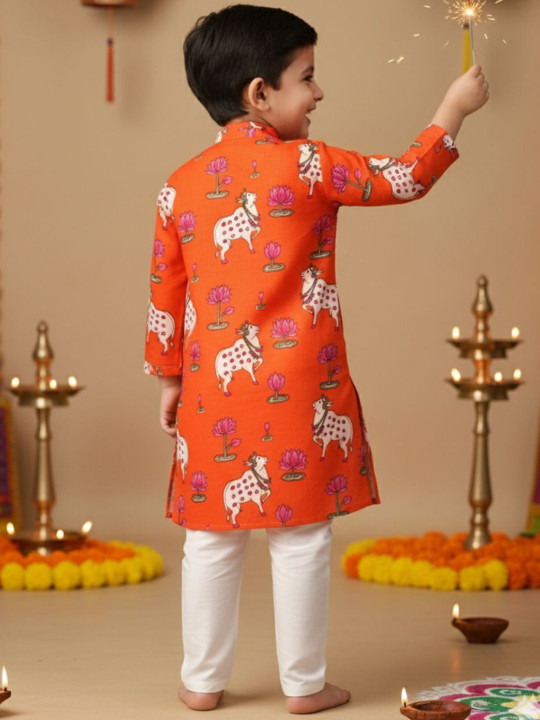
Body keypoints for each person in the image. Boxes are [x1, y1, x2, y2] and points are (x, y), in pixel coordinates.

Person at [144, 4, 489, 713]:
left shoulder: (179, 184)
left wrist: (170, 378)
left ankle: (201, 683)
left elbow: (165, 291)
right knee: (300, 539)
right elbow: (404, 176)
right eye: (306, 78)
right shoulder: (308, 163)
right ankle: (304, 686)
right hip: (301, 387)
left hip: (212, 390)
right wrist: (452, 110)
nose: (319, 92)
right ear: (259, 94)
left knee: (209, 541)